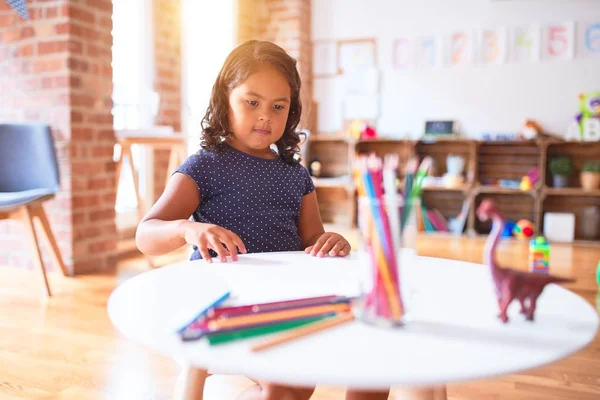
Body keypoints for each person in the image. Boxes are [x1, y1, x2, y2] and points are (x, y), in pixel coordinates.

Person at [136, 40, 389, 400]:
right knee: (284, 387)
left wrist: (330, 242)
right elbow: (146, 234)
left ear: (292, 110)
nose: (265, 117)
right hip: (222, 306)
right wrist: (186, 229)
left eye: (278, 106)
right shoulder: (204, 166)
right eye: (251, 102)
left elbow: (311, 240)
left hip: (283, 304)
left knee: (336, 372)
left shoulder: (295, 174)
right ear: (226, 98)